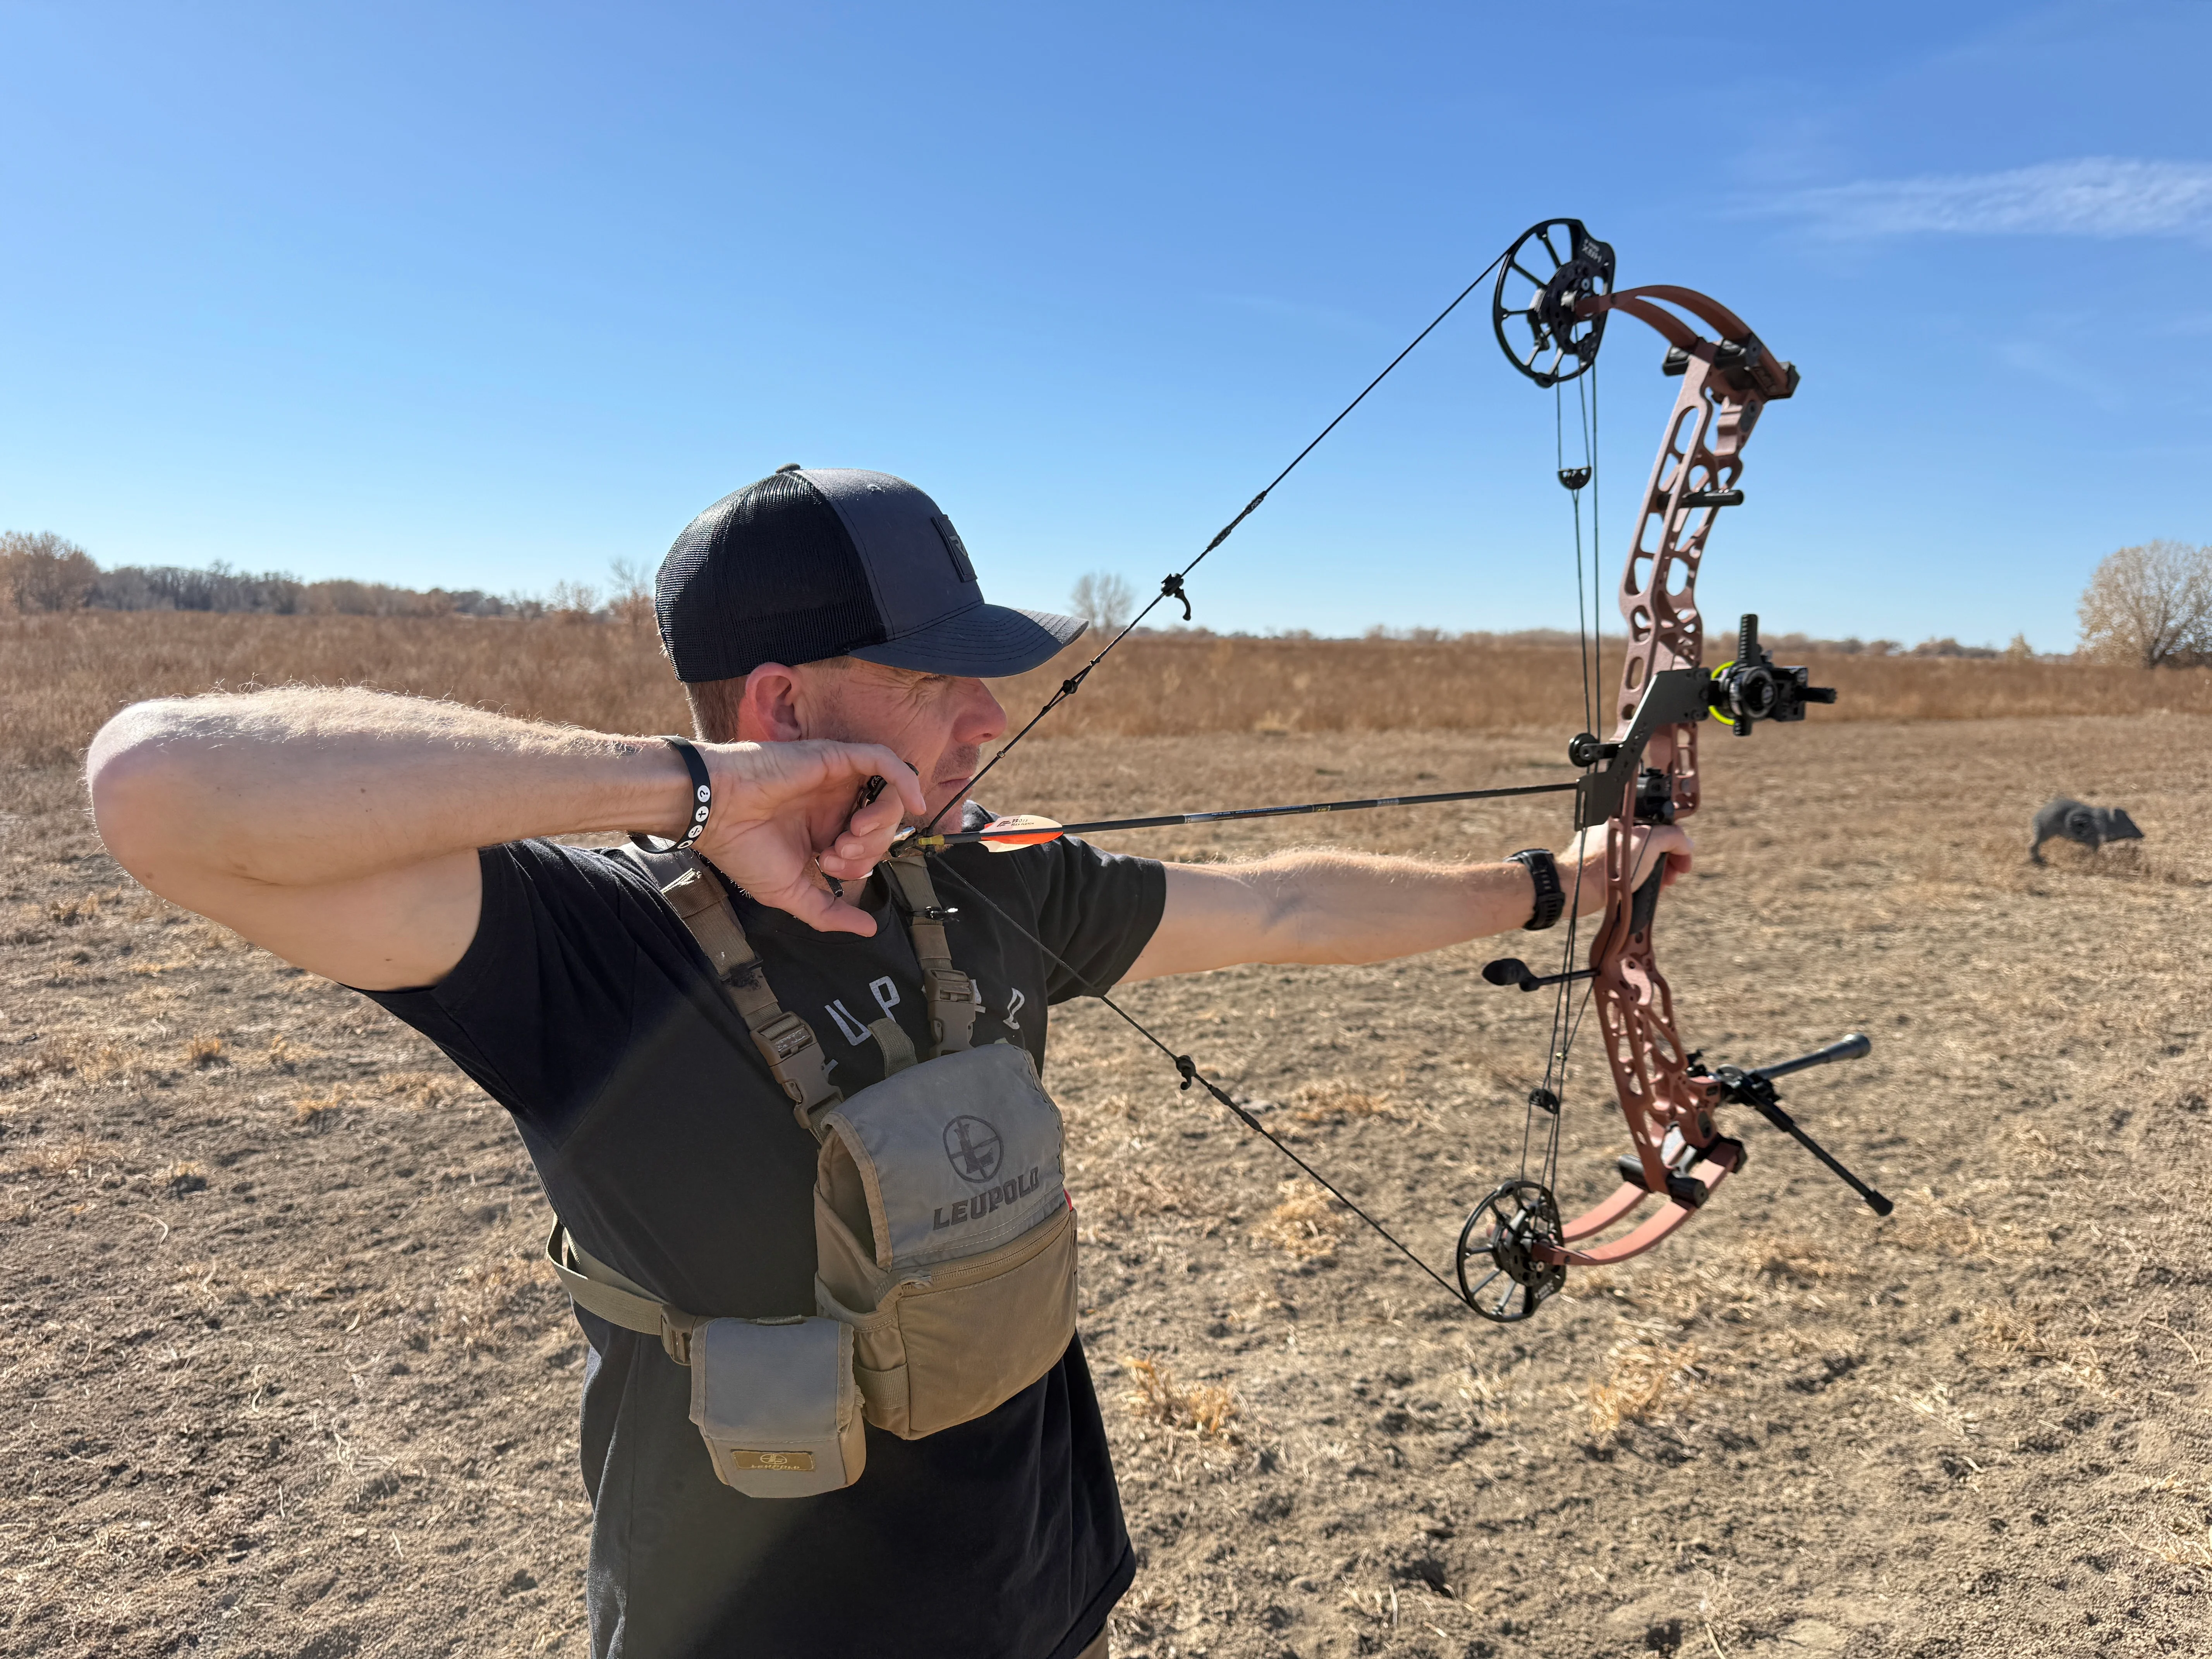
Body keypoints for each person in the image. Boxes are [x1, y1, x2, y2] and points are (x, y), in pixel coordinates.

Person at [86, 466, 1689, 1659]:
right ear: (783, 704)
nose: (984, 718)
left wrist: (1558, 886)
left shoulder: (987, 882)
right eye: (937, 681)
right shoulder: (592, 957)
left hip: (1038, 1587)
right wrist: (688, 792)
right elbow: (158, 788)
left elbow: (1276, 902)